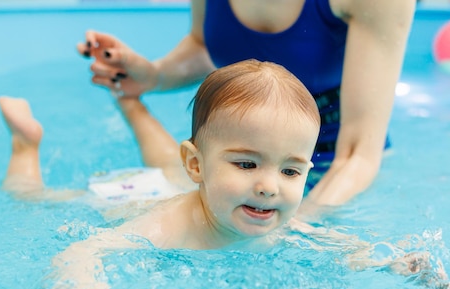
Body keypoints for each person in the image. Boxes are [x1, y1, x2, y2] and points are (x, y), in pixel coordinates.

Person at [0, 60, 447, 289]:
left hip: (187, 185)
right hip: (133, 199)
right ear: (200, 166)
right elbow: (82, 250)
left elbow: (340, 247)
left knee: (168, 171)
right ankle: (25, 146)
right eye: (248, 164)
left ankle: (131, 103)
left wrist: (392, 263)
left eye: (291, 171)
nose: (270, 186)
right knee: (33, 200)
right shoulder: (166, 228)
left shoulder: (274, 220)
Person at [77, 0, 415, 207]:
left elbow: (357, 155)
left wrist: (302, 225)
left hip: (325, 163)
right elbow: (204, 44)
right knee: (169, 202)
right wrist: (154, 76)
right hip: (237, 144)